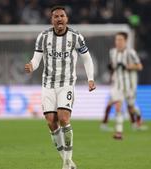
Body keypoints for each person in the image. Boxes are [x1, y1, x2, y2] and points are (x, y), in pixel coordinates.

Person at [25, 6, 95, 169]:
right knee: (51, 122)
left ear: (66, 18)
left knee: (63, 118)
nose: (59, 19)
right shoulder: (43, 37)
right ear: (52, 20)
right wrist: (31, 66)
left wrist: (90, 79)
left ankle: (66, 163)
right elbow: (36, 59)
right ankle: (68, 161)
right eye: (55, 16)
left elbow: (87, 58)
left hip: (66, 84)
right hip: (48, 84)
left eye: (62, 16)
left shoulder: (76, 37)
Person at [100, 32, 143, 140]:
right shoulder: (113, 52)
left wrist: (128, 66)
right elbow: (114, 67)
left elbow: (139, 66)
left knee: (131, 107)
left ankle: (138, 116)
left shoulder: (131, 53)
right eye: (116, 40)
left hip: (129, 85)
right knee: (118, 106)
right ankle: (119, 132)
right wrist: (111, 68)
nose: (118, 42)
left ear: (125, 41)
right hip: (117, 84)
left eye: (120, 40)